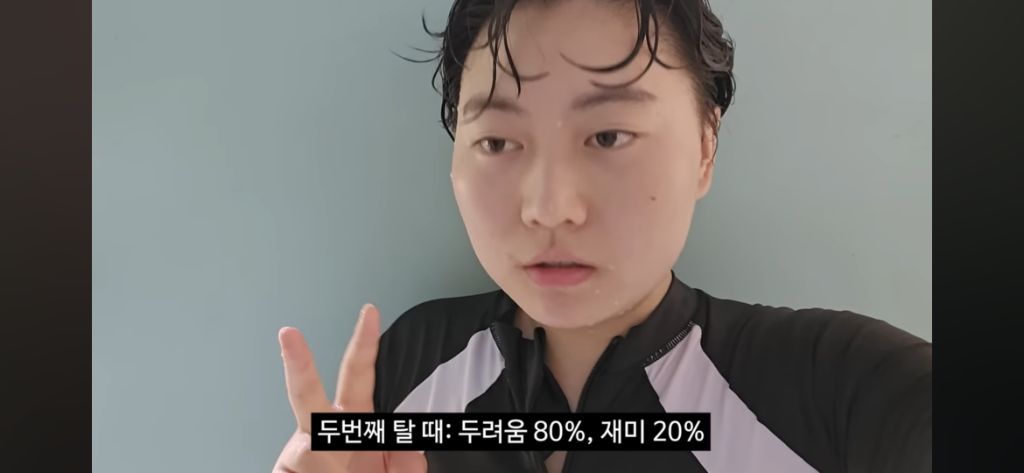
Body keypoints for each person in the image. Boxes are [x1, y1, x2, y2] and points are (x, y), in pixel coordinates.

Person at [271, 0, 932, 472]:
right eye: (497, 141)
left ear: (706, 147)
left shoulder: (834, 389)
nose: (548, 209)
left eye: (609, 135)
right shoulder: (409, 366)